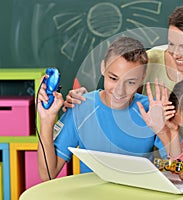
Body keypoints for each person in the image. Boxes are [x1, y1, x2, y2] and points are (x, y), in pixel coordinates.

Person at [37, 36, 167, 181]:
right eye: (113, 78)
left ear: (142, 78)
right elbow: (48, 174)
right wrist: (46, 120)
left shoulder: (151, 109)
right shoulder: (80, 107)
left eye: (130, 82)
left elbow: (177, 164)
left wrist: (165, 129)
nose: (120, 90)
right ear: (103, 68)